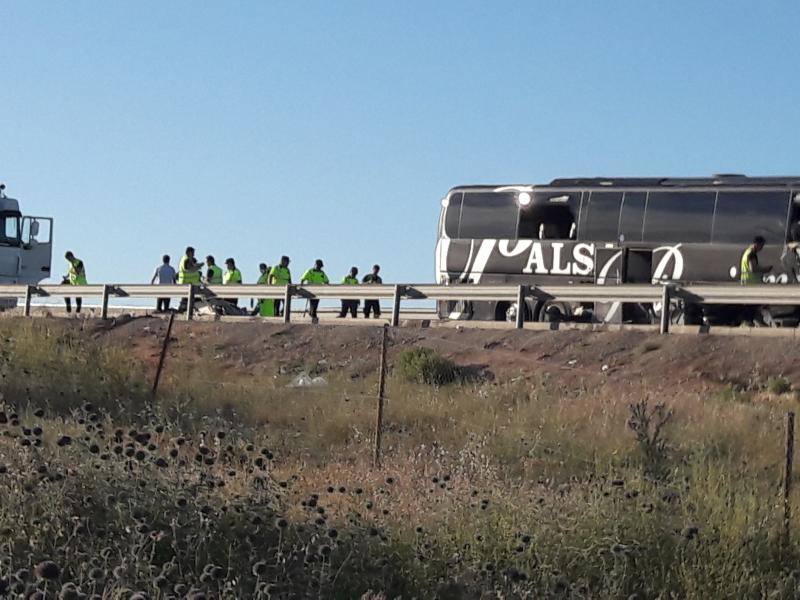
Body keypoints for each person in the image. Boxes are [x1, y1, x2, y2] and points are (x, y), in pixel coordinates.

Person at [740, 236, 772, 326]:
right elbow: (753, 268)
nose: (761, 248)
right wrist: (766, 269)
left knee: (752, 305)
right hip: (752, 284)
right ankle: (750, 322)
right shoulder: (752, 254)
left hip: (746, 282)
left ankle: (756, 321)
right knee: (753, 305)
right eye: (761, 246)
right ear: (756, 244)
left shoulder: (746, 252)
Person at [300, 259, 329, 324]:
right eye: (318, 266)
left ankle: (312, 313)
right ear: (315, 265)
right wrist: (302, 287)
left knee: (315, 304)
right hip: (311, 290)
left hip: (318, 291)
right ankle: (313, 315)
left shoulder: (322, 273)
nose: (319, 267)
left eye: (320, 266)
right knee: (313, 303)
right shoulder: (310, 271)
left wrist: (326, 286)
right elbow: (303, 278)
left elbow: (326, 281)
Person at [177, 247, 203, 313]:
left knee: (190, 299)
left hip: (192, 284)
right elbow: (189, 269)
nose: (194, 255)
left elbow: (193, 265)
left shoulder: (189, 259)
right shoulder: (186, 260)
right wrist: (197, 267)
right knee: (191, 299)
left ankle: (186, 311)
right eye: (192, 253)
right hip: (188, 284)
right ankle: (185, 311)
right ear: (188, 252)